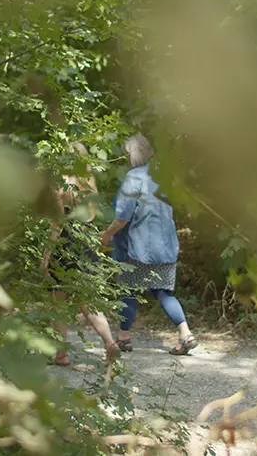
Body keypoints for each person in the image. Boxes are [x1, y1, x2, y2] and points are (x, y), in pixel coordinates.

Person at [100, 133, 198, 355]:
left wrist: (106, 235)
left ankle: (124, 337)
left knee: (129, 290)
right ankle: (185, 333)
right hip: (166, 246)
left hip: (139, 248)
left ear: (131, 155)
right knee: (164, 292)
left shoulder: (133, 177)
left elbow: (123, 217)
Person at [41, 142, 121, 366]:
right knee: (87, 301)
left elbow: (57, 224)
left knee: (59, 302)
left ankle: (61, 354)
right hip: (86, 244)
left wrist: (46, 255)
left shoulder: (61, 187)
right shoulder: (90, 187)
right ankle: (109, 343)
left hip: (66, 245)